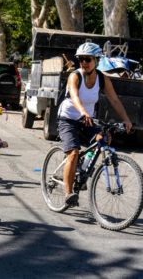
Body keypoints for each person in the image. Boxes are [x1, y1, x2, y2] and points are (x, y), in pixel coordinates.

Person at [57, 42, 132, 206]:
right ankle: (68, 193)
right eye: (81, 59)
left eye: (87, 59)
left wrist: (126, 119)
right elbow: (75, 97)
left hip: (88, 119)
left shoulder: (102, 78)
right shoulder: (75, 76)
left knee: (104, 139)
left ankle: (82, 170)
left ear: (96, 60)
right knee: (74, 153)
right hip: (68, 118)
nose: (83, 63)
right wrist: (83, 111)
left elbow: (114, 100)